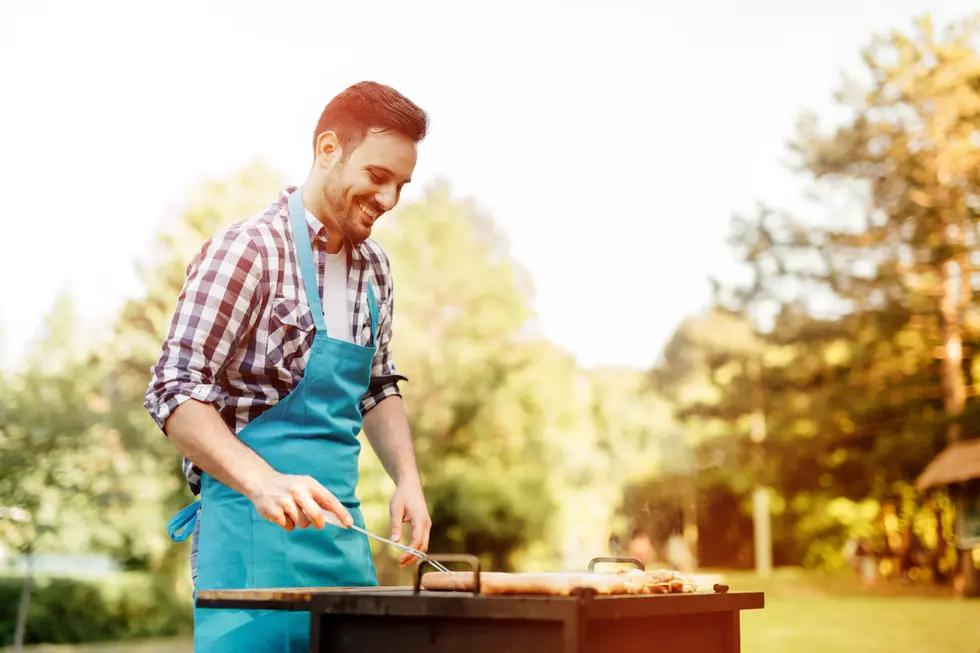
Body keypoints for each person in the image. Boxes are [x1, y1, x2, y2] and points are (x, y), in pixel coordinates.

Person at [145, 81, 432, 652]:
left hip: (341, 540)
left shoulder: (375, 268)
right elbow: (173, 392)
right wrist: (263, 483)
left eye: (401, 185)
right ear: (328, 149)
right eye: (378, 177)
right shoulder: (247, 250)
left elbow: (375, 387)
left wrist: (407, 477)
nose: (390, 199)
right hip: (251, 540)